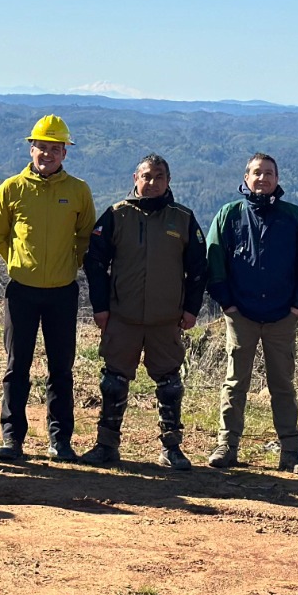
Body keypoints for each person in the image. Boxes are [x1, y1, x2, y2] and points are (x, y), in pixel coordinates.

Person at [80, 154, 207, 470]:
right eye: (147, 176)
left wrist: (191, 309)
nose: (152, 183)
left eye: (159, 177)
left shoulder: (183, 218)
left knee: (170, 385)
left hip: (167, 319)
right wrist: (101, 307)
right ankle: (106, 446)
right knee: (113, 382)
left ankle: (172, 449)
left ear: (169, 181)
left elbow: (199, 269)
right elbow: (94, 262)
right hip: (123, 317)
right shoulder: (116, 215)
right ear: (135, 178)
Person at [0, 115, 96, 462]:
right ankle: (11, 439)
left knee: (61, 370)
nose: (47, 154)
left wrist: (70, 265)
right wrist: (20, 264)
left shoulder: (78, 190)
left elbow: (85, 236)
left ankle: (60, 440)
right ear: (31, 148)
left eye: (54, 149)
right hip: (22, 290)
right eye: (41, 147)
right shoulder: (11, 188)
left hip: (63, 292)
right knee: (16, 367)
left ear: (65, 152)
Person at [204, 153, 298, 472]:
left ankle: (291, 452)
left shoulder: (292, 216)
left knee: (283, 383)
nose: (263, 178)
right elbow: (214, 261)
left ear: (277, 179)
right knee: (235, 381)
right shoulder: (229, 214)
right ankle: (227, 445)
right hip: (240, 313)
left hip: (283, 314)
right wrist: (227, 303)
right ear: (246, 178)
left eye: (269, 173)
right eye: (257, 173)